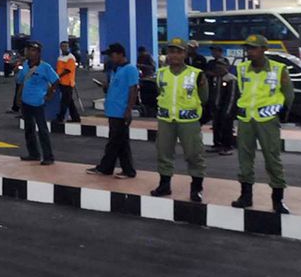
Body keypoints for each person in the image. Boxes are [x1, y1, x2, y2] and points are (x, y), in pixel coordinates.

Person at [232, 34, 294, 213]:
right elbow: (239, 91)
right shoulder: (242, 68)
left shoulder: (278, 69)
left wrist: (282, 114)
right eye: (248, 48)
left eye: (253, 48)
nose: (249, 51)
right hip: (246, 120)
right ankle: (246, 196)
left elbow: (288, 94)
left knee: (272, 158)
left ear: (264, 49)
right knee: (244, 159)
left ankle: (277, 199)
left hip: (267, 120)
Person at [150, 38, 209, 201]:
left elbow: (204, 97)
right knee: (164, 152)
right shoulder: (161, 73)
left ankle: (196, 188)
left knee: (194, 154)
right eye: (171, 51)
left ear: (185, 54)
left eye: (179, 52)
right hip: (166, 120)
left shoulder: (196, 74)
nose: (175, 55)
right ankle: (164, 185)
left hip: (188, 122)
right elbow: (159, 92)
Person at [87, 43, 138, 178]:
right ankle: (126, 170)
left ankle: (106, 167)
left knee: (114, 142)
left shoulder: (130, 69)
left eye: (112, 55)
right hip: (113, 110)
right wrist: (106, 87)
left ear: (120, 54)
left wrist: (128, 109)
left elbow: (133, 90)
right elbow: (115, 88)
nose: (110, 58)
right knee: (120, 143)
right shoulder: (115, 70)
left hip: (121, 110)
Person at [15, 41, 59, 165]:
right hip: (26, 102)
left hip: (38, 103)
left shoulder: (45, 67)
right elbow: (21, 81)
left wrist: (50, 94)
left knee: (42, 130)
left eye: (33, 50)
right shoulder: (25, 65)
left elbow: (56, 81)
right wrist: (18, 97)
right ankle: (33, 154)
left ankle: (48, 157)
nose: (30, 53)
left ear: (38, 53)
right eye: (28, 50)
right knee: (29, 130)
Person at [206, 58, 238, 155]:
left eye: (221, 65)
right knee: (216, 126)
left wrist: (228, 110)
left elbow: (232, 96)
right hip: (217, 107)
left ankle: (227, 146)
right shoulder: (217, 78)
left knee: (226, 127)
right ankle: (217, 145)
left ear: (227, 66)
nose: (219, 67)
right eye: (218, 65)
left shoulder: (231, 79)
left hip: (227, 108)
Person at [55, 41, 80, 122]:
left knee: (64, 102)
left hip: (68, 83)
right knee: (69, 101)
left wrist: (57, 76)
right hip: (62, 82)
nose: (64, 48)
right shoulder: (60, 57)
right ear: (60, 47)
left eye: (66, 46)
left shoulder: (71, 58)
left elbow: (67, 70)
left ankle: (60, 118)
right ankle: (76, 118)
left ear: (68, 47)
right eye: (63, 46)